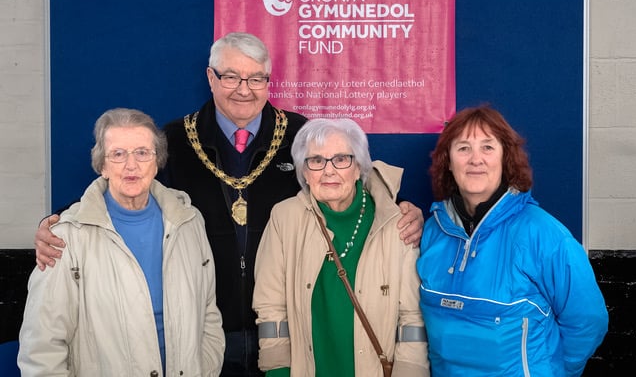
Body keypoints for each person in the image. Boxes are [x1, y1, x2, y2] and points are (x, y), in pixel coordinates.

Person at [33, 32, 425, 377]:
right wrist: (61, 221)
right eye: (231, 76)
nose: (244, 89)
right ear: (210, 77)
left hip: (288, 328)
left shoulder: (300, 133)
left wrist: (401, 206)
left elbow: (345, 170)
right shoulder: (174, 139)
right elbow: (124, 181)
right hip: (206, 333)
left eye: (256, 78)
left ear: (269, 81)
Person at [18, 108, 225, 376]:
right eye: (118, 154)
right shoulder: (66, 237)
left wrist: (205, 369)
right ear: (102, 165)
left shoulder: (189, 221)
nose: (131, 165)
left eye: (141, 152)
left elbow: (208, 312)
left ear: (157, 160)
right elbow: (42, 346)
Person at [416, 105, 608, 376]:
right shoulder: (432, 231)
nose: (475, 159)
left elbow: (589, 320)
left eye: (487, 147)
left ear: (505, 157)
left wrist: (555, 370)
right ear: (448, 161)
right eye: (463, 148)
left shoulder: (545, 235)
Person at [253, 118, 430, 377]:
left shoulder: (396, 223)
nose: (328, 171)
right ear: (304, 171)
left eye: (341, 159)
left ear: (359, 167)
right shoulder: (284, 218)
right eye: (316, 161)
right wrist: (277, 371)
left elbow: (412, 319)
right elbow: (271, 309)